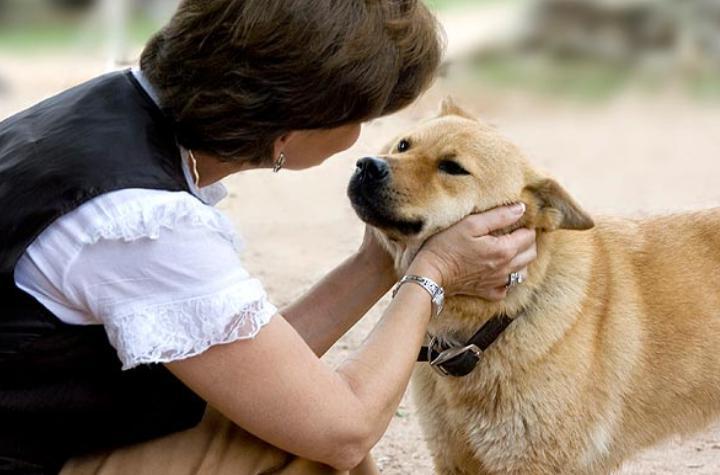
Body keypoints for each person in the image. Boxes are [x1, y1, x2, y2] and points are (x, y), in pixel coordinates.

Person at [0, 1, 537, 474]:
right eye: (363, 119)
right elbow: (344, 430)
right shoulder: (141, 223)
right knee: (310, 450)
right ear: (295, 124)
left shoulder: (111, 118)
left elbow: (255, 369)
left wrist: (381, 260)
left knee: (291, 417)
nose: (365, 143)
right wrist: (432, 275)